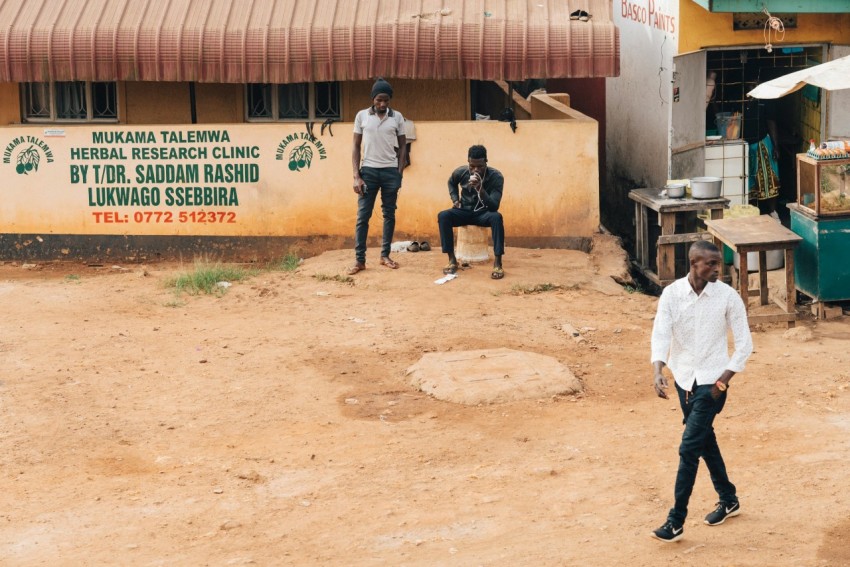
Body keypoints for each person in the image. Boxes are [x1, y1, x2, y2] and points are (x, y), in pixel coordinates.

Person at [649, 240, 753, 543]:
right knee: (705, 441)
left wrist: (722, 382)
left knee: (689, 448)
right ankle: (729, 499)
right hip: (684, 381)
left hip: (713, 384)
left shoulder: (727, 297)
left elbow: (744, 345)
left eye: (718, 263)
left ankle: (675, 521)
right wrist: (658, 370)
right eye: (711, 264)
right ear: (694, 263)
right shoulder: (672, 294)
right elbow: (661, 333)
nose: (718, 268)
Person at [348, 78, 407, 275]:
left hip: (390, 172)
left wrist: (399, 173)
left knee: (389, 214)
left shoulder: (397, 117)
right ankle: (360, 260)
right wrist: (356, 176)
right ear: (373, 98)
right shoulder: (361, 116)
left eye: (386, 100)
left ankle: (385, 256)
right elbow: (356, 146)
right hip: (368, 172)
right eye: (379, 100)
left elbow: (403, 147)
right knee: (362, 216)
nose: (382, 104)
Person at [437, 145, 505, 279]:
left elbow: (494, 207)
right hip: (464, 211)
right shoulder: (461, 172)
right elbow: (451, 182)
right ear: (468, 162)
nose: (475, 170)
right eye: (472, 166)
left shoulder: (496, 176)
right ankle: (452, 260)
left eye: (480, 166)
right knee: (443, 216)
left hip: (483, 213)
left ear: (486, 162)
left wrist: (480, 189)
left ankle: (498, 263)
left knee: (497, 217)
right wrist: (455, 199)